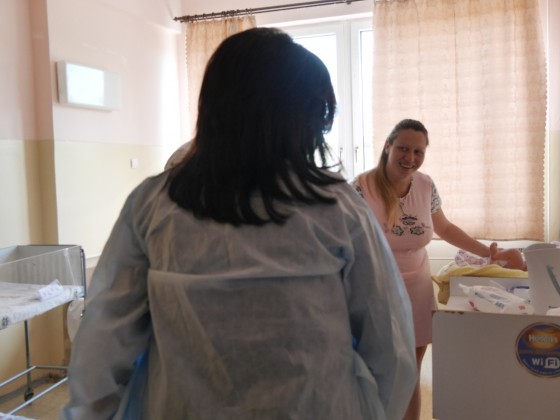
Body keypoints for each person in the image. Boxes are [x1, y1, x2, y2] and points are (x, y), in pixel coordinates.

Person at [62, 28, 417, 420]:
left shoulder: (154, 205)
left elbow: (103, 344)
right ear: (300, 119)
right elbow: (390, 346)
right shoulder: (338, 208)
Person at [352, 118, 517, 420]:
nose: (410, 157)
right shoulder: (361, 189)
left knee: (411, 374)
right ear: (388, 146)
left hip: (417, 289)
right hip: (376, 290)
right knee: (379, 372)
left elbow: (445, 228)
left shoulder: (426, 185)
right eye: (403, 148)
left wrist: (488, 254)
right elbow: (347, 240)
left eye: (418, 151)